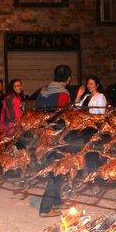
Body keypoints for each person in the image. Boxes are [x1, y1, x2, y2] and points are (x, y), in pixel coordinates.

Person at [36, 65, 72, 218]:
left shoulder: (43, 91)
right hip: (56, 136)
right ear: (68, 79)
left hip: (42, 133)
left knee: (53, 166)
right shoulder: (63, 93)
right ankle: (45, 209)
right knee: (57, 170)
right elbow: (63, 116)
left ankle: (56, 201)